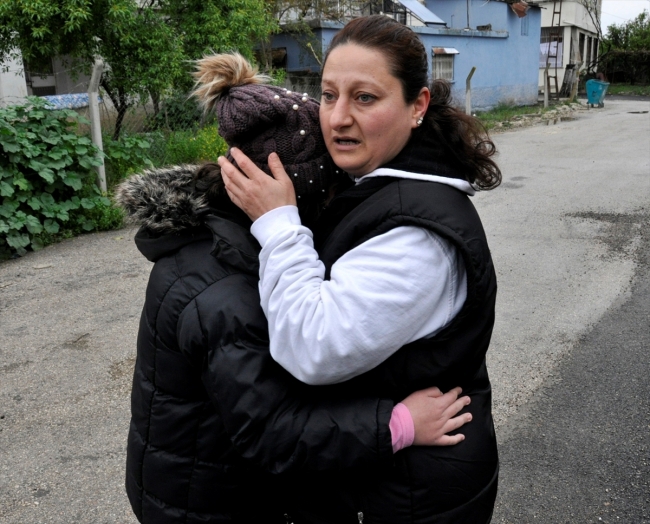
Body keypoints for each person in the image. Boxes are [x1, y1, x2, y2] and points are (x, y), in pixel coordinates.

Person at [116, 52, 473, 524]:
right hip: (211, 503)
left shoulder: (232, 243)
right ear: (291, 196)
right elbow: (272, 430)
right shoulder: (224, 285)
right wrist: (399, 425)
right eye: (329, 191)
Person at [219, 15, 502, 524]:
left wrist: (279, 225)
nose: (338, 118)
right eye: (329, 96)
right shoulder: (375, 183)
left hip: (408, 495)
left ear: (417, 106)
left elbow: (312, 346)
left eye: (365, 98)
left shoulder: (418, 237)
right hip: (383, 476)